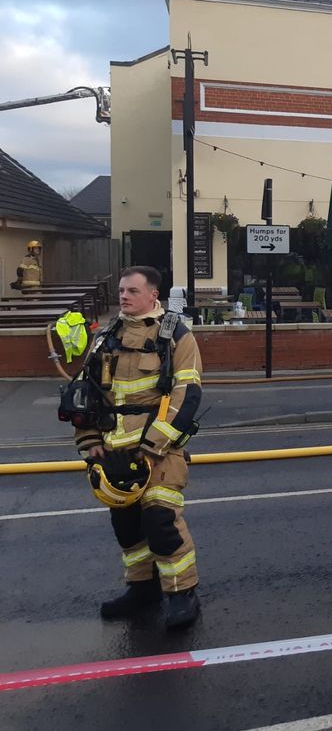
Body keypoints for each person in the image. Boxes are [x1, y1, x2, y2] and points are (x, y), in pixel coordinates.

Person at [72, 266, 203, 630]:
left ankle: (181, 594)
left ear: (153, 296)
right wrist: (89, 442)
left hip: (160, 452)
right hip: (114, 450)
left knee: (161, 521)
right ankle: (142, 590)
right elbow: (87, 396)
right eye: (122, 291)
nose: (124, 296)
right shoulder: (107, 336)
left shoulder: (176, 335)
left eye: (132, 291)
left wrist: (154, 444)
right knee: (127, 526)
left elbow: (187, 393)